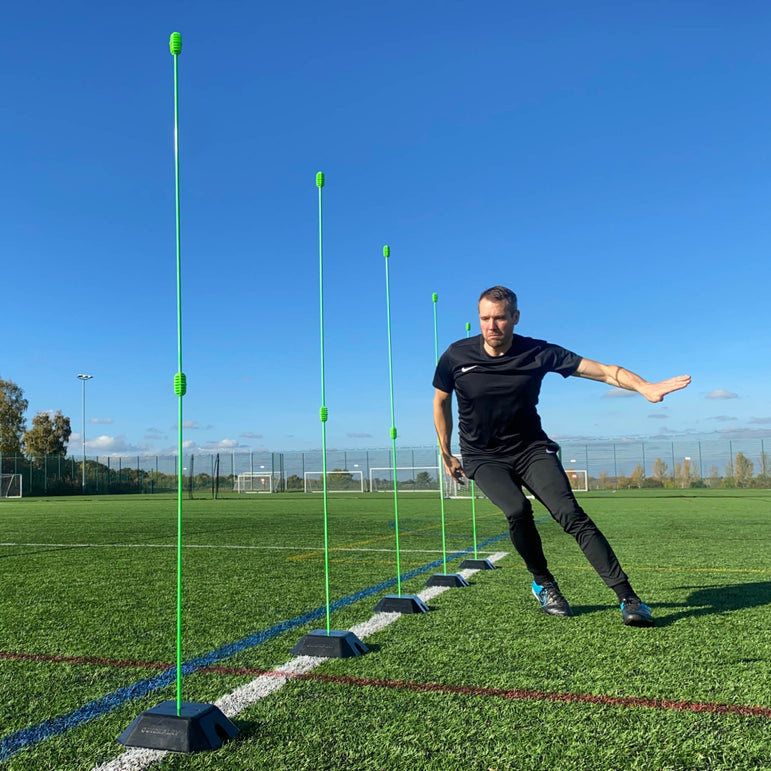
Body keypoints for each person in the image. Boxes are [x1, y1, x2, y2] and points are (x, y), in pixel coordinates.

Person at [432, 286, 691, 626]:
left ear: (515, 318)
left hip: (530, 449)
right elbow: (440, 401)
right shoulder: (456, 356)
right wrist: (446, 452)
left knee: (570, 514)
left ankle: (628, 597)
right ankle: (544, 583)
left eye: (499, 318)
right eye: (485, 318)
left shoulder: (538, 352)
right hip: (483, 456)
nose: (491, 326)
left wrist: (644, 387)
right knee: (517, 509)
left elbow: (603, 371)